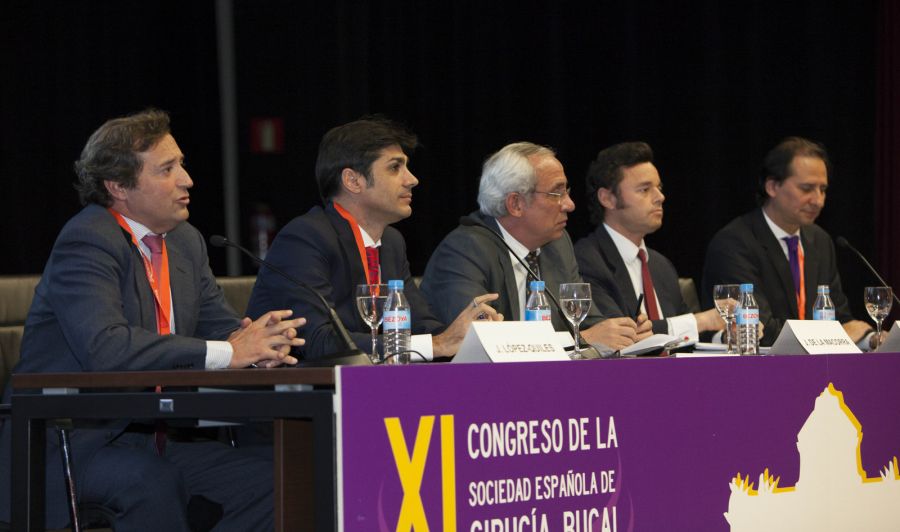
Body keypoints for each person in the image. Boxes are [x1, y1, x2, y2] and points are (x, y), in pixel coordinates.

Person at [0, 109, 305, 530]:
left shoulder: (185, 242)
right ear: (119, 186)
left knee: (275, 482)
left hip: (155, 436)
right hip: (72, 441)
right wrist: (230, 351)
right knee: (153, 484)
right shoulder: (87, 239)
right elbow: (107, 347)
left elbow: (221, 331)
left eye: (181, 164)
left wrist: (261, 346)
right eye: (168, 169)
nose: (187, 179)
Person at [246, 116, 499, 361]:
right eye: (394, 167)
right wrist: (438, 344)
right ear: (353, 181)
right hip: (303, 396)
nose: (412, 179)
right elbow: (318, 340)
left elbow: (421, 325)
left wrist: (470, 337)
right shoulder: (304, 238)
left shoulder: (391, 242)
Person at [421, 142, 653, 352]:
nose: (570, 205)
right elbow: (480, 341)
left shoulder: (557, 245)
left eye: (567, 192)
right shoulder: (465, 249)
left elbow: (588, 322)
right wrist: (581, 338)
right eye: (557, 193)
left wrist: (623, 331)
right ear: (516, 203)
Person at [701, 136, 873, 347]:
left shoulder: (819, 240)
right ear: (772, 187)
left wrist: (871, 339)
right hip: (759, 370)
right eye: (807, 188)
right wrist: (833, 335)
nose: (818, 200)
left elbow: (840, 317)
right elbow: (759, 327)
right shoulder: (735, 243)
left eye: (823, 190)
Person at [575, 142, 723, 341]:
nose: (660, 197)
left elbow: (686, 336)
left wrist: (724, 335)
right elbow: (621, 335)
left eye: (659, 188)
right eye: (644, 190)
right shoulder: (586, 260)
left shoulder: (661, 265)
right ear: (608, 198)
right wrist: (702, 321)